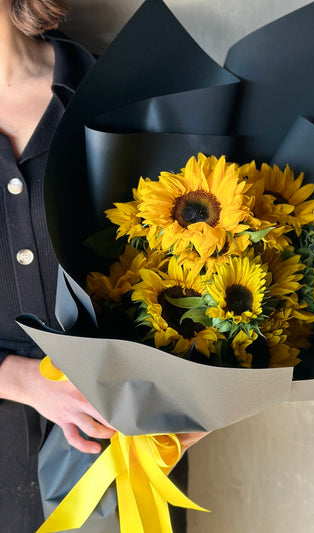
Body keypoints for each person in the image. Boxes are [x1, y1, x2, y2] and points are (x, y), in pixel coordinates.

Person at [0, 2, 204, 531]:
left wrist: (206, 400)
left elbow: (205, 264)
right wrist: (21, 380)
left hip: (127, 447)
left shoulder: (125, 94)